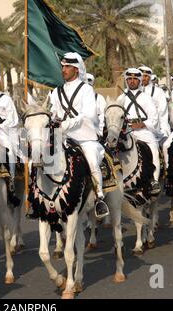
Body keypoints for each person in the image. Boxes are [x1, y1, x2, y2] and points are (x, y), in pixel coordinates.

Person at [49, 52, 109, 218]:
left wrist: (66, 124)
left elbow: (87, 115)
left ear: (76, 69)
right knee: (42, 156)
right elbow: (53, 112)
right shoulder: (55, 92)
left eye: (67, 67)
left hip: (84, 137)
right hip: (62, 137)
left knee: (91, 159)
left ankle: (99, 197)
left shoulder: (87, 90)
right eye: (62, 66)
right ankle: (41, 196)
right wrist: (52, 119)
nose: (63, 70)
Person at [116, 68, 161, 195]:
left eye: (135, 79)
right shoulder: (120, 98)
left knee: (153, 149)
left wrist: (141, 124)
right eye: (129, 79)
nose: (132, 81)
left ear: (140, 81)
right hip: (125, 132)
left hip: (143, 131)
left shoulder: (147, 98)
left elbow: (154, 119)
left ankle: (154, 180)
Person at [139, 66, 171, 143]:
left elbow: (162, 113)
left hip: (156, 126)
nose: (143, 78)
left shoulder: (158, 91)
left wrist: (163, 129)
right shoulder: (133, 91)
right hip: (138, 127)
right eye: (141, 76)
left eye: (146, 76)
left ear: (150, 77)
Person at [86, 73, 106, 138]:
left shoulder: (99, 98)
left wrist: (99, 133)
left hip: (96, 134)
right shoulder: (75, 99)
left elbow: (103, 117)